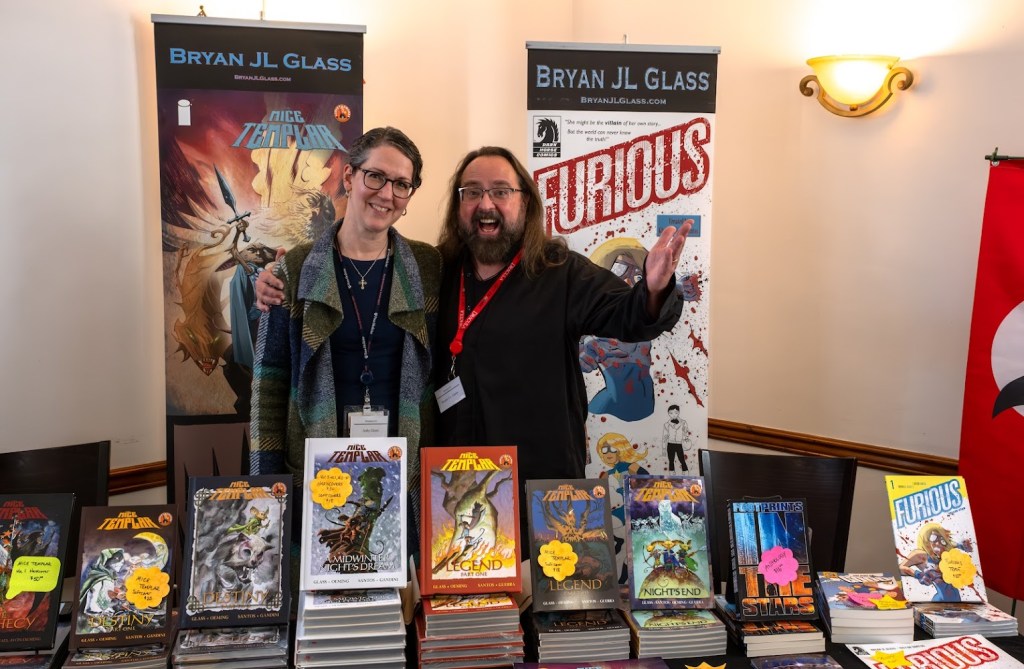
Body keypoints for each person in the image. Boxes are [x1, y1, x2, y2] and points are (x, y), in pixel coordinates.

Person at [433, 146, 689, 491]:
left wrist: (655, 289)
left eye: (500, 191)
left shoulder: (560, 272)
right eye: (472, 192)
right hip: (457, 478)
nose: (485, 204)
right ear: (458, 206)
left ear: (525, 202)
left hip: (541, 482)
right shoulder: (438, 271)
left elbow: (628, 316)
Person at [249, 127, 441, 530]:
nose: (387, 194)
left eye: (402, 184)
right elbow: (269, 387)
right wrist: (265, 492)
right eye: (376, 176)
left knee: (397, 585)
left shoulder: (427, 268)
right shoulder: (295, 268)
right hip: (318, 472)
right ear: (350, 177)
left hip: (403, 474)